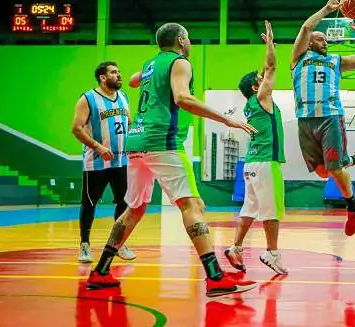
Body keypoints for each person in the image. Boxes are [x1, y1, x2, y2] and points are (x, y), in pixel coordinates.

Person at [86, 23, 259, 297]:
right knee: (192, 204)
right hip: (162, 140)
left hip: (136, 141)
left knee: (135, 208)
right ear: (181, 40)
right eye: (188, 38)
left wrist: (148, 75)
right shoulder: (180, 62)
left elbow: (132, 81)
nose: (189, 43)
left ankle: (101, 271)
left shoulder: (151, 64)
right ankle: (215, 278)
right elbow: (182, 98)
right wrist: (227, 119)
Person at [291, 0, 355, 237]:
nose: (325, 43)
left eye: (326, 40)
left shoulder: (335, 60)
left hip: (331, 117)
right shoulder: (298, 59)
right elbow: (306, 27)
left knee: (334, 170)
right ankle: (353, 160)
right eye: (321, 39)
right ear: (310, 43)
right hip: (305, 119)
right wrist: (326, 9)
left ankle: (352, 205)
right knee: (323, 171)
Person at [225, 21, 288, 275]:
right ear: (255, 87)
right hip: (264, 162)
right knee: (271, 210)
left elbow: (266, 68)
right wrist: (271, 44)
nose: (265, 79)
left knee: (249, 209)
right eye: (260, 80)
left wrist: (267, 49)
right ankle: (272, 253)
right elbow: (271, 66)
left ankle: (236, 248)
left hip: (251, 163)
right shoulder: (262, 97)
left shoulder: (253, 102)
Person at [71, 61, 136, 263]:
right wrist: (98, 147)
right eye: (114, 72)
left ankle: (117, 243)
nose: (119, 75)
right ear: (102, 77)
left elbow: (129, 123)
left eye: (119, 71)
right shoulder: (87, 99)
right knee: (89, 203)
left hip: (122, 161)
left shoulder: (123, 96)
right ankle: (84, 245)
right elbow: (76, 128)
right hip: (96, 162)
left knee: (124, 203)